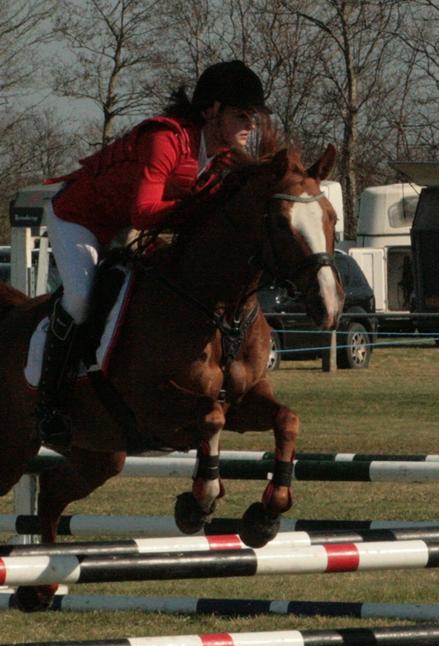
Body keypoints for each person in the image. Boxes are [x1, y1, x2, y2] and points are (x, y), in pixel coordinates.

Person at [35, 59, 268, 446]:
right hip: (81, 219)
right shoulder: (166, 138)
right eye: (242, 115)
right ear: (211, 111)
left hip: (126, 225)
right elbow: (144, 212)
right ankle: (49, 402)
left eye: (254, 117)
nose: (250, 126)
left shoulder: (223, 157)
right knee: (79, 299)